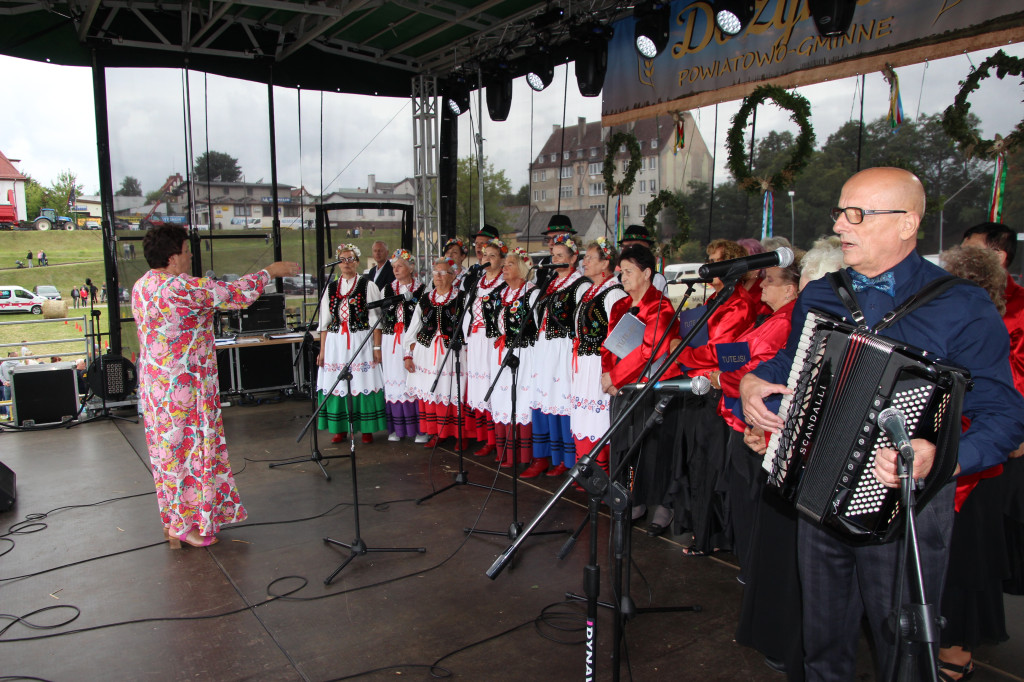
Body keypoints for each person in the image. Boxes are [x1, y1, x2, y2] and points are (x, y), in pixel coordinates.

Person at [740, 167, 1024, 680]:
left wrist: (942, 456)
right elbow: (787, 368)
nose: (841, 227)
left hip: (910, 511)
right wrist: (753, 385)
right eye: (839, 214)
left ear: (906, 223)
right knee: (822, 644)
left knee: (906, 651)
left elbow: (1004, 417)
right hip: (817, 496)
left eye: (858, 215)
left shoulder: (962, 305)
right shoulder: (823, 294)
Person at [132, 223, 298, 548]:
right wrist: (269, 271)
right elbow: (235, 295)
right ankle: (186, 525)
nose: (189, 253)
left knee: (168, 458)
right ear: (172, 257)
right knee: (189, 455)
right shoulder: (179, 287)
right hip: (184, 390)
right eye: (184, 249)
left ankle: (178, 519)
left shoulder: (142, 285)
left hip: (156, 389)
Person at [707, 251, 800, 574]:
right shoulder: (773, 318)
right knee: (742, 496)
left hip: (755, 418)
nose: (763, 283)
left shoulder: (785, 322)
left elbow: (756, 369)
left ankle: (754, 569)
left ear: (791, 290)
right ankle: (749, 564)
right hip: (740, 413)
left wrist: (722, 377)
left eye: (771, 280)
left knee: (750, 497)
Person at [663, 239, 758, 552]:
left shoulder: (739, 303)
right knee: (694, 460)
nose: (711, 269)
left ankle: (709, 537)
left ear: (732, 267)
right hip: (697, 384)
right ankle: (698, 530)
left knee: (708, 463)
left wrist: (685, 352)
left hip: (716, 390)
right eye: (710, 261)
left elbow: (720, 351)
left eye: (717, 263)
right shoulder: (718, 296)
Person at [602, 245, 683, 518]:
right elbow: (609, 345)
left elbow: (651, 350)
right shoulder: (620, 305)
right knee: (623, 442)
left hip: (651, 387)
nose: (622, 277)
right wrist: (607, 375)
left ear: (647, 273)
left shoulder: (661, 305)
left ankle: (657, 503)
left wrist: (616, 376)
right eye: (620, 272)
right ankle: (628, 497)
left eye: (629, 271)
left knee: (650, 447)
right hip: (622, 386)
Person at [522, 233, 590, 479]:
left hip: (563, 349)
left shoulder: (581, 285)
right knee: (543, 401)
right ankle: (544, 456)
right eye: (554, 255)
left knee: (561, 403)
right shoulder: (549, 284)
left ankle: (567, 459)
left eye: (561, 255)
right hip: (544, 349)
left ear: (574, 258)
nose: (556, 259)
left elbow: (581, 322)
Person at [316, 243, 387, 445]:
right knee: (337, 383)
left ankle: (366, 429)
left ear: (357, 262)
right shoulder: (330, 288)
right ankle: (340, 429)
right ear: (338, 263)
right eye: (342, 259)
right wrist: (322, 351)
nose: (346, 263)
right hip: (336, 342)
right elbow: (324, 323)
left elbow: (376, 320)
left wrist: (376, 347)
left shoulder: (368, 286)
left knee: (362, 383)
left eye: (350, 259)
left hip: (360, 340)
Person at [570, 238, 626, 479]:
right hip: (584, 361)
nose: (584, 261)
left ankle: (600, 477)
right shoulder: (590, 290)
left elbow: (618, 339)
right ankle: (585, 473)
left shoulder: (614, 294)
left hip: (599, 363)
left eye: (590, 258)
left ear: (605, 264)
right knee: (584, 416)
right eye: (585, 257)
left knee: (598, 419)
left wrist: (612, 372)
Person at [403, 258, 469, 448]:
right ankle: (437, 433)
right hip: (427, 352)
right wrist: (408, 354)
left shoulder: (462, 297)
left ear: (453, 275)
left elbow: (468, 328)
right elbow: (413, 327)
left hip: (452, 353)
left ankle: (459, 435)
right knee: (431, 393)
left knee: (454, 390)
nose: (438, 277)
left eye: (443, 273)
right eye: (436, 273)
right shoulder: (425, 298)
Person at [491, 248, 538, 468]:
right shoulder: (501, 293)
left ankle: (524, 456)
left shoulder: (532, 293)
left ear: (522, 267)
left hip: (524, 353)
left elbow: (538, 328)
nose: (504, 268)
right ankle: (506, 452)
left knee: (520, 401)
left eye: (509, 264)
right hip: (502, 351)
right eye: (504, 264)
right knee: (502, 399)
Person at [463, 239, 506, 458]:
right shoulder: (476, 283)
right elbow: (467, 312)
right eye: (484, 255)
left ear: (501, 260)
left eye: (492, 256)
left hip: (493, 341)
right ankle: (486, 438)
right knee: (479, 387)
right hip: (476, 339)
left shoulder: (504, 283)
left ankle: (498, 441)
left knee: (493, 386)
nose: (486, 259)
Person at [379, 249, 424, 442]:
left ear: (410, 267)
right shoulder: (387, 289)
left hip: (412, 339)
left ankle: (420, 430)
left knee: (413, 378)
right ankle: (398, 428)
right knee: (394, 379)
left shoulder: (422, 289)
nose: (396, 269)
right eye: (394, 267)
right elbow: (381, 319)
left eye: (400, 266)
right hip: (391, 339)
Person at [619, 225, 667, 293]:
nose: (626, 251)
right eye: (624, 247)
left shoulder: (656, 279)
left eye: (631, 247)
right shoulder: (617, 279)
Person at [0, 351, 18, 418]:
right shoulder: (19, 364)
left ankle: (9, 415)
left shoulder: (3, 364)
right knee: (17, 399)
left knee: (7, 400)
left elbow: (0, 374)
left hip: (6, 384)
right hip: (15, 383)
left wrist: (5, 382)